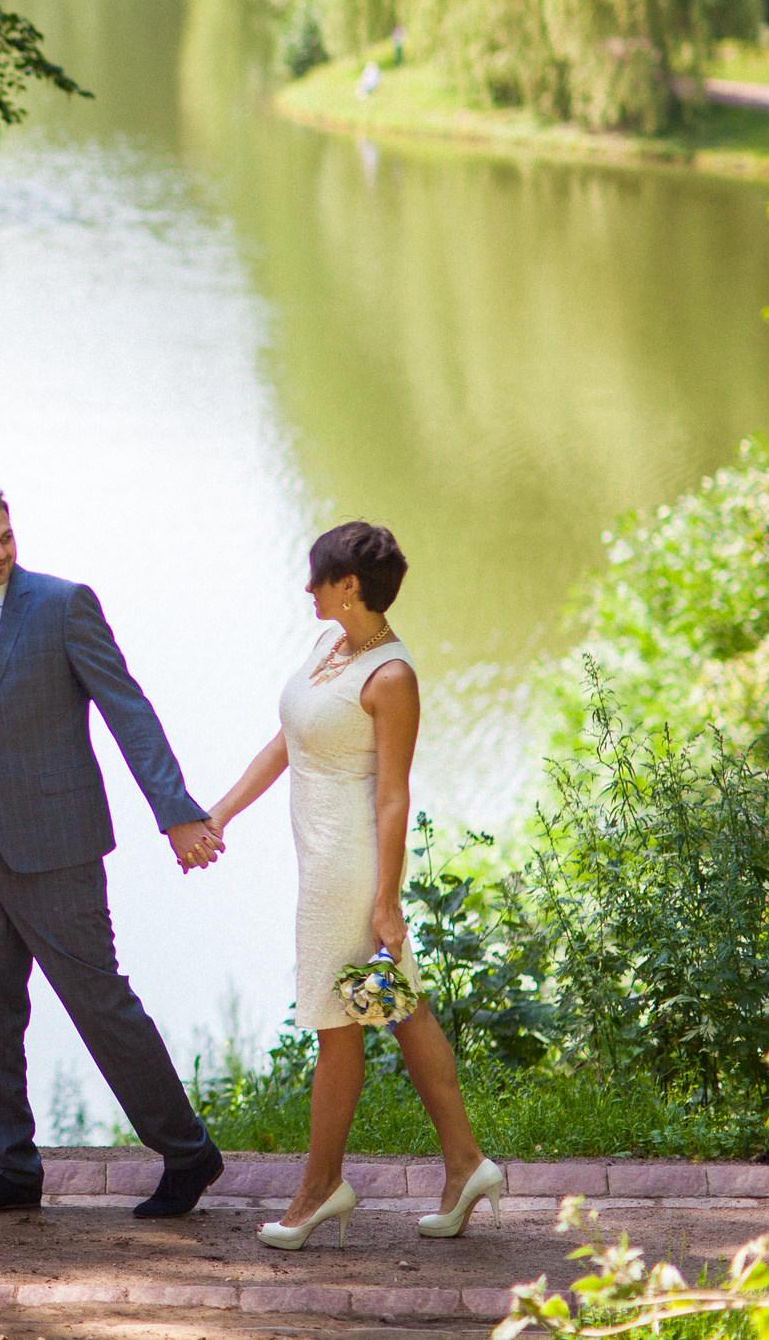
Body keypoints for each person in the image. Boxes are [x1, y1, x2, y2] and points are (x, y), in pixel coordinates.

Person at [0, 478, 228, 1221]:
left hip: (60, 847)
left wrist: (174, 810)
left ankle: (188, 1151)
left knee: (102, 1004)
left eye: (6, 536)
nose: (0, 552)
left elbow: (127, 708)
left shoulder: (64, 604)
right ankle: (11, 1167)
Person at [201, 522, 503, 1250]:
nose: (307, 588)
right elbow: (287, 740)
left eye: (318, 577)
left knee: (338, 1028)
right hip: (322, 857)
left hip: (350, 868)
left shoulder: (391, 676)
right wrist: (220, 810)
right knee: (399, 1006)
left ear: (350, 587)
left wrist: (387, 898)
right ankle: (465, 1164)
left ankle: (319, 1189)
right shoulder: (330, 647)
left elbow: (394, 795)